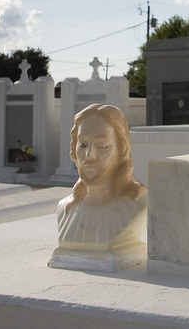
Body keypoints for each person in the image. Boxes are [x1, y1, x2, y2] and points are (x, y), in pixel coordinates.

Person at [52, 104, 147, 262]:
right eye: (82, 144)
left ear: (121, 150)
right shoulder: (65, 209)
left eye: (103, 146)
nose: (90, 156)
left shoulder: (137, 205)